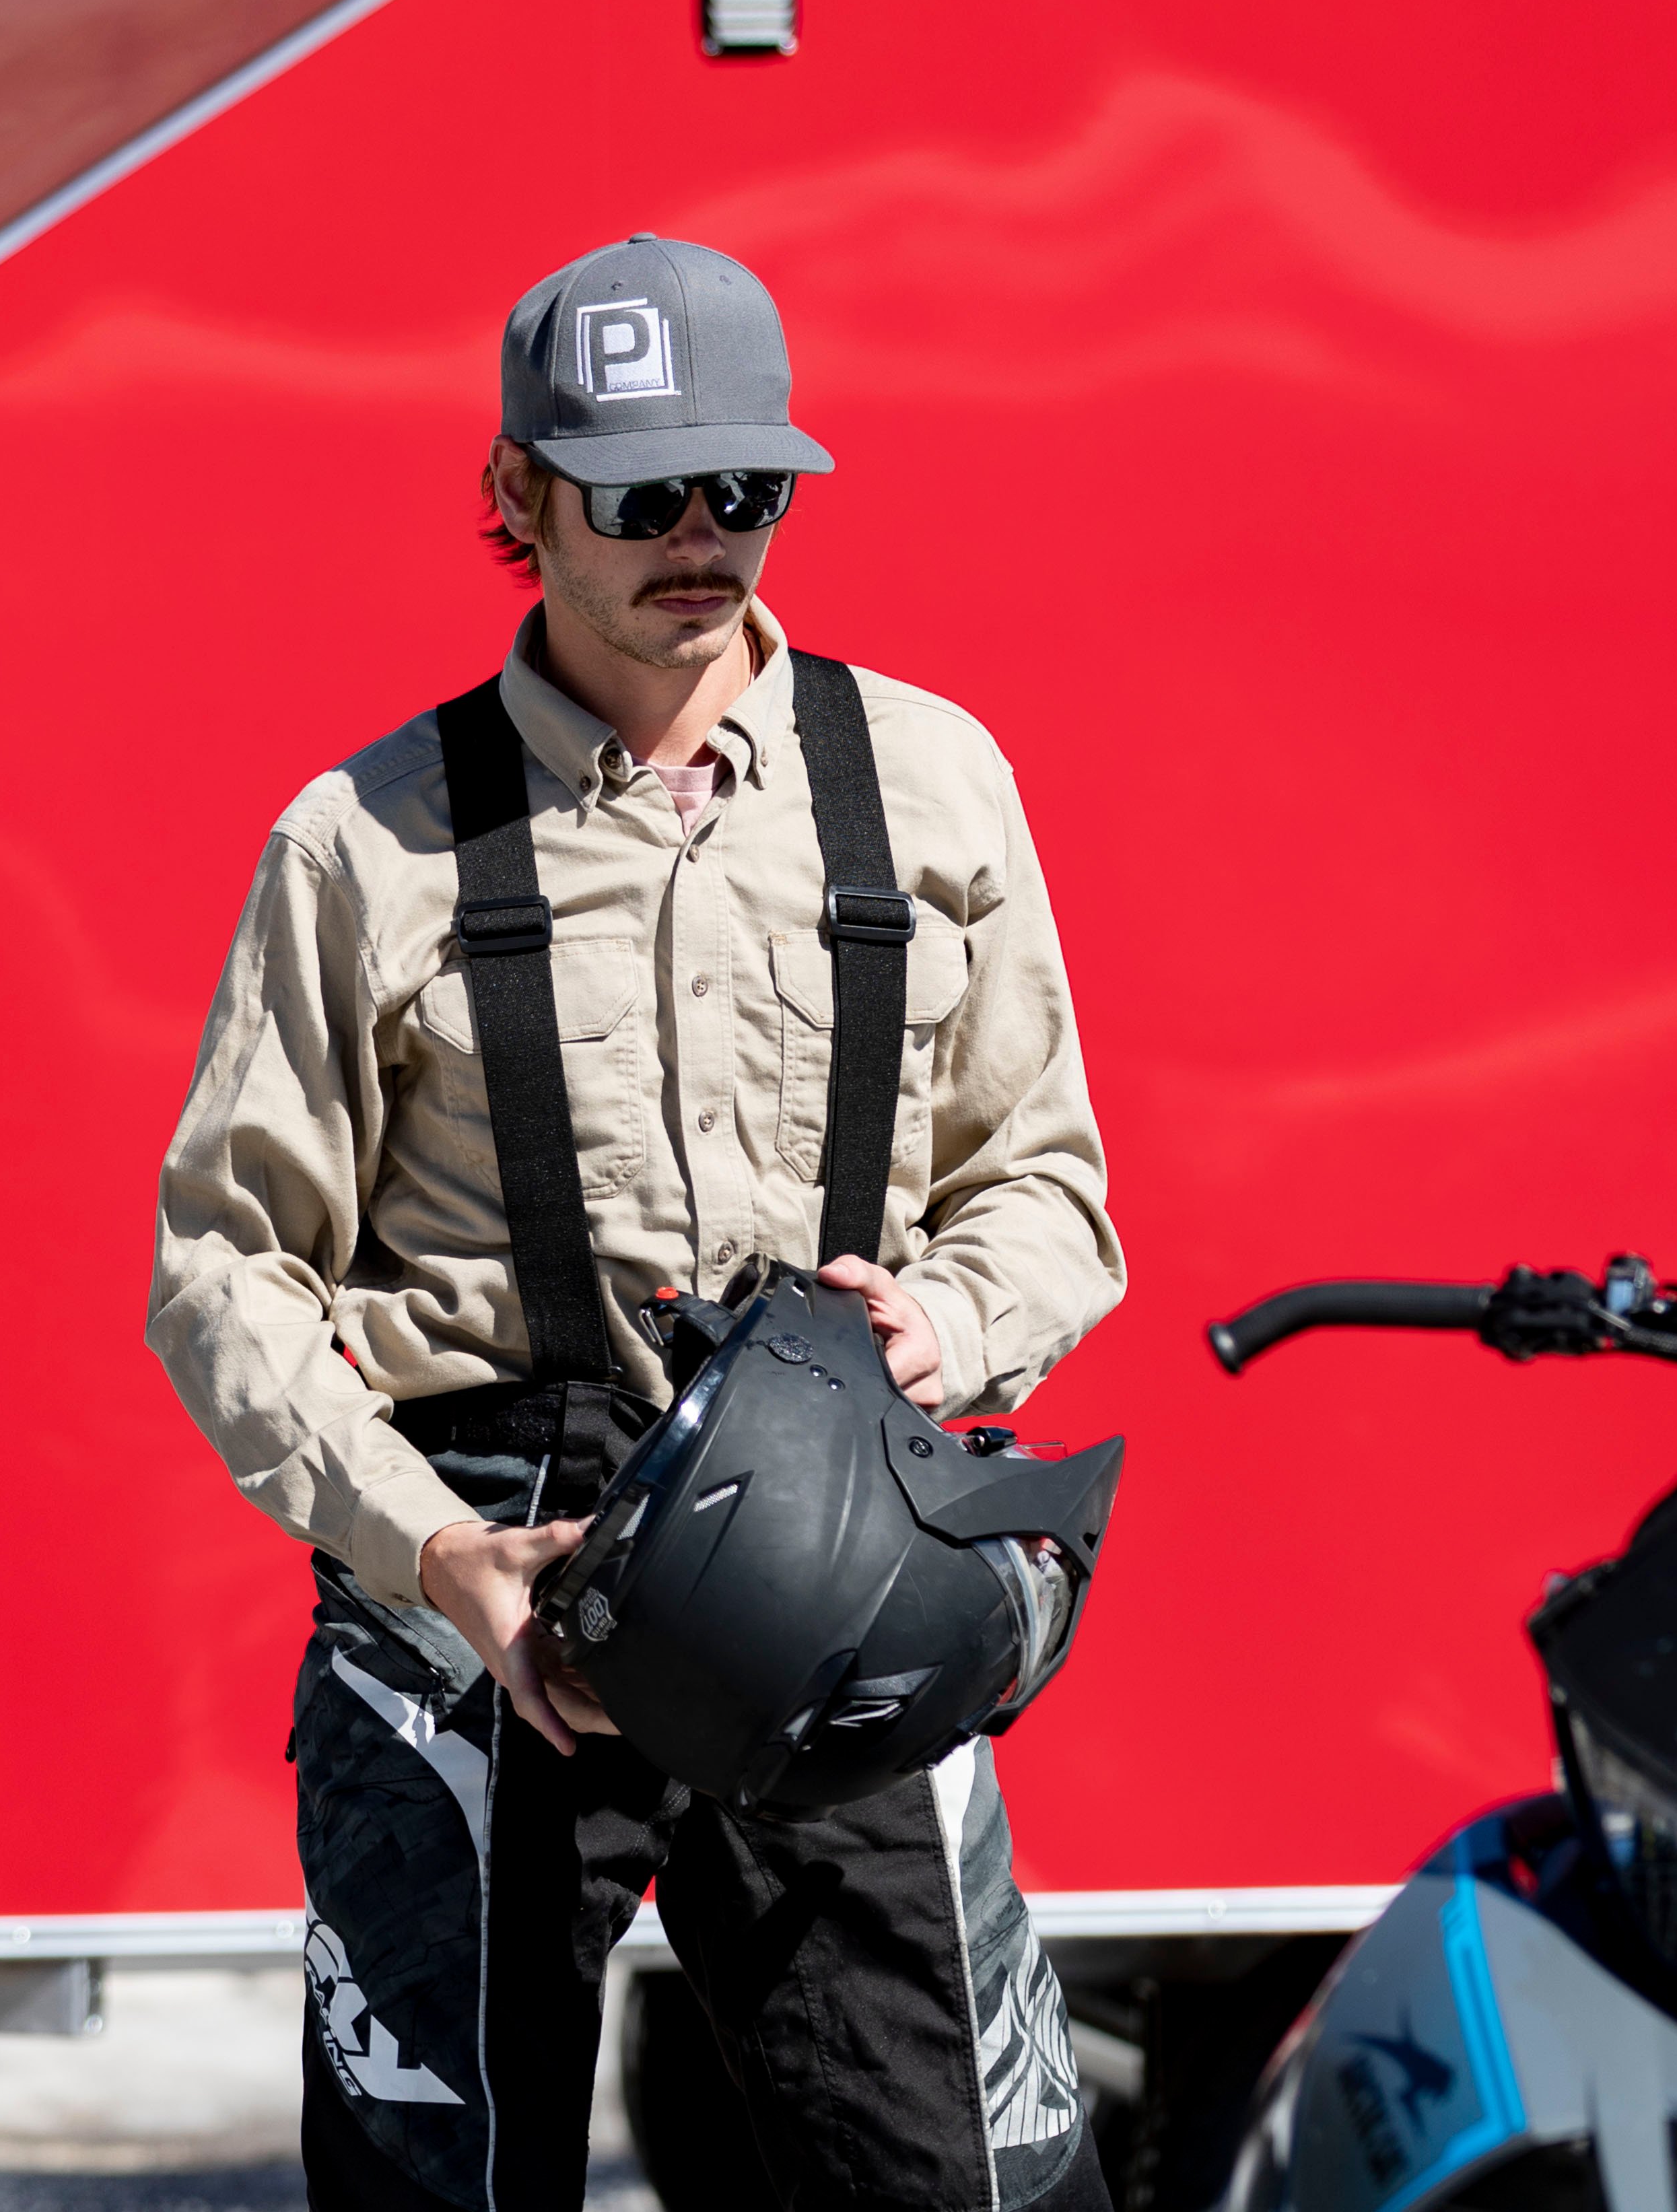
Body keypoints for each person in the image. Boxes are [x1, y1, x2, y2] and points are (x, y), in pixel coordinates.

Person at [148, 232, 1127, 2211]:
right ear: (516, 497)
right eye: (641, 493)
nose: (704, 536)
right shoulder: (366, 838)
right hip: (485, 1576)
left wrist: (937, 1326)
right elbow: (226, 1272)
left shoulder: (930, 784)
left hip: (842, 1552)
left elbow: (1052, 1191)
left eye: (746, 489)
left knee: (971, 2188)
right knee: (445, 2186)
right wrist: (435, 1557)